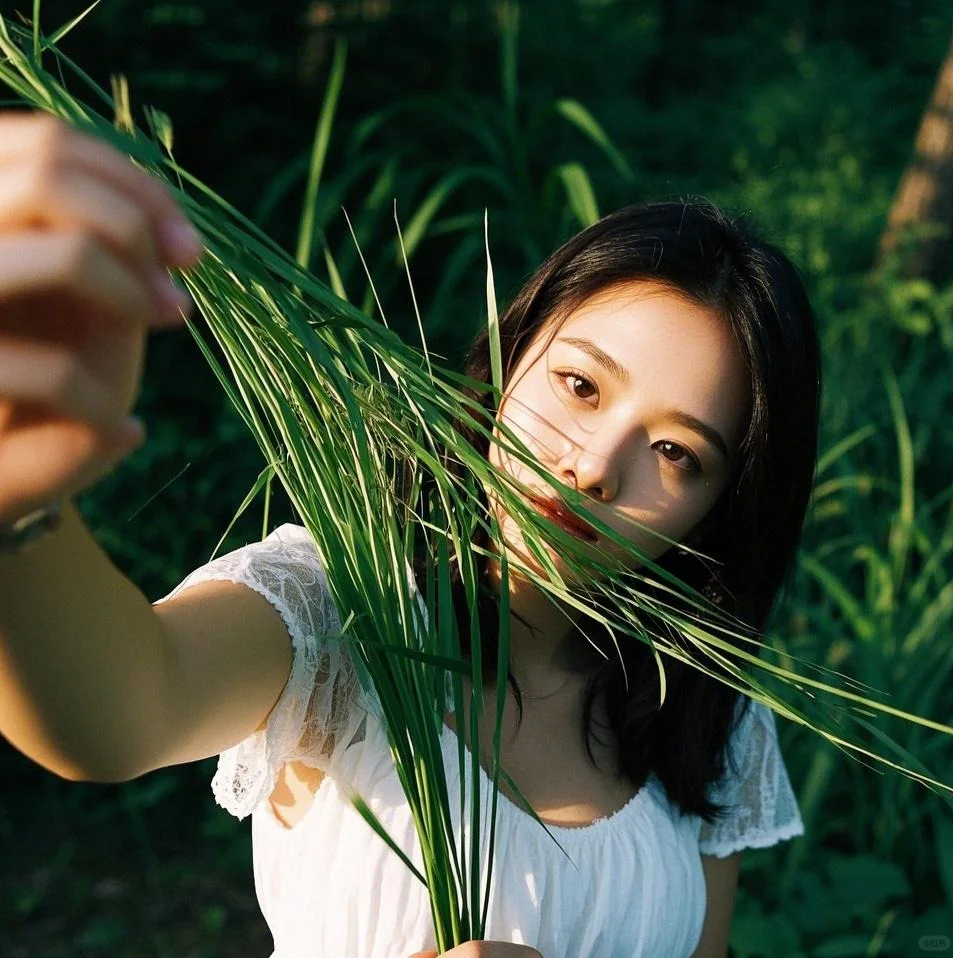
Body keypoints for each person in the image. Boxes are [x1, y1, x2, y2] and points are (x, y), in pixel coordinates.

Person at [0, 113, 818, 958]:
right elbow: (117, 711)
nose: (595, 466)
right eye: (579, 385)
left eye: (676, 452)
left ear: (719, 507)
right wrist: (17, 490)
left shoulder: (707, 705)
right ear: (513, 356)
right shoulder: (349, 601)